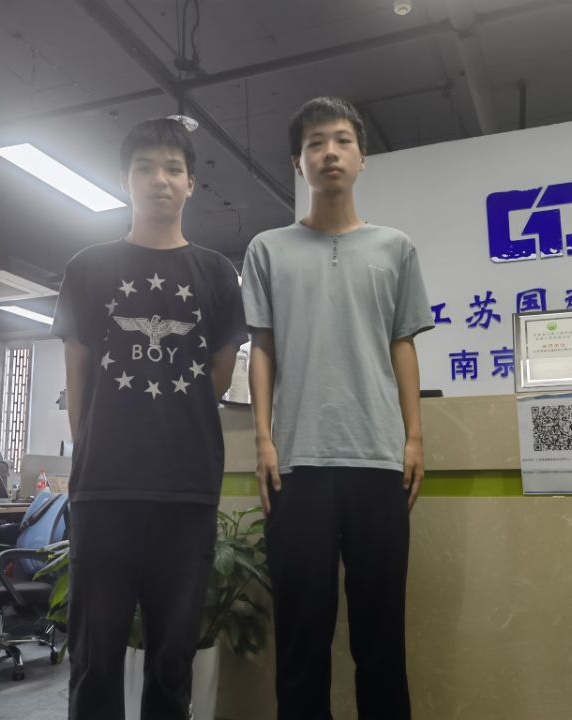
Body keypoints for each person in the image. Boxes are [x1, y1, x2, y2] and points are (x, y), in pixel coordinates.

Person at [240, 96, 435, 720]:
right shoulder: (267, 249)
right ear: (297, 163)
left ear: (362, 157)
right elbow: (262, 348)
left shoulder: (395, 247)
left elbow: (401, 344)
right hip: (297, 464)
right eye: (315, 143)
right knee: (302, 637)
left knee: (382, 635)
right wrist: (264, 440)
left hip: (378, 459)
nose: (330, 153)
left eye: (343, 140)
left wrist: (413, 439)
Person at [51, 117, 247, 720]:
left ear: (191, 184)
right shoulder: (88, 267)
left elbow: (219, 375)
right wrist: (95, 450)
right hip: (103, 489)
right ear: (125, 180)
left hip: (186, 490)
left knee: (171, 661)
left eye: (172, 168)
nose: (159, 179)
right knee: (95, 657)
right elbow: (78, 376)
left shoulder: (217, 273)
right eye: (144, 168)